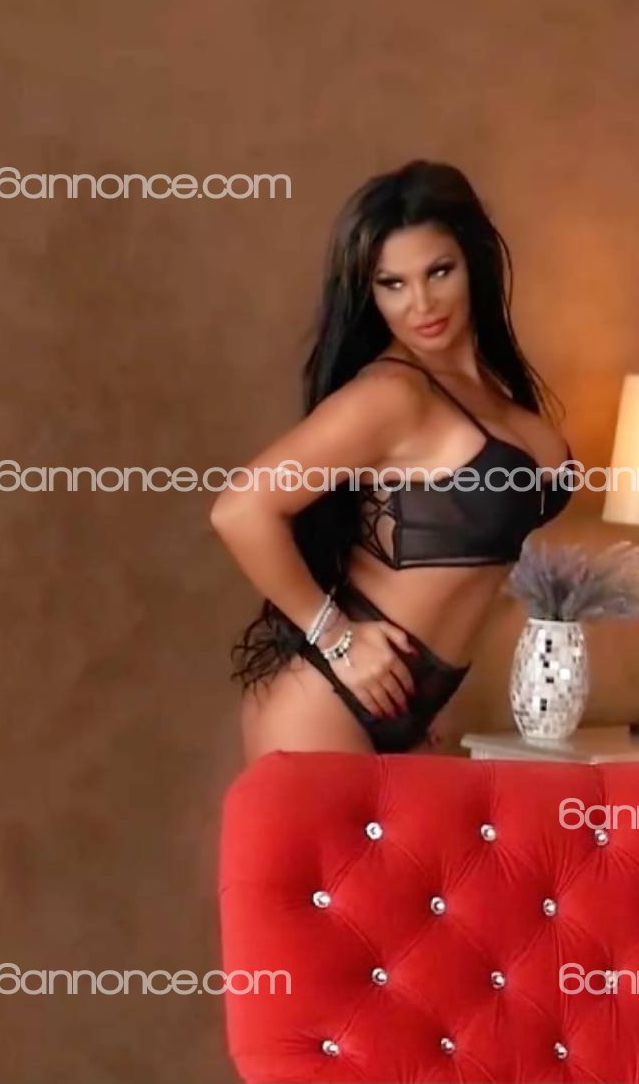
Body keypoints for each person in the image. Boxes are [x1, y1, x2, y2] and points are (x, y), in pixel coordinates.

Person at [210, 159, 575, 762]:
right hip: (326, 704)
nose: (422, 304)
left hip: (408, 703)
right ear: (370, 293)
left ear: (474, 263)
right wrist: (337, 638)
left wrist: (428, 701)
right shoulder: (392, 395)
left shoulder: (492, 390)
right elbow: (240, 510)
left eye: (439, 271)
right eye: (392, 284)